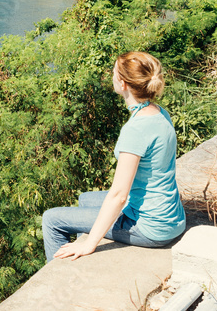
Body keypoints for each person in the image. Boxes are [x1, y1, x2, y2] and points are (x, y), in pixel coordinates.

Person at [41, 51, 186, 262]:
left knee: (51, 219)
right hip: (172, 218)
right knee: (85, 199)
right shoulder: (159, 112)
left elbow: (119, 195)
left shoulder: (135, 130)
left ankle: (55, 282)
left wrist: (90, 244)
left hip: (150, 228)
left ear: (123, 84)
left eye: (113, 73)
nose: (111, 77)